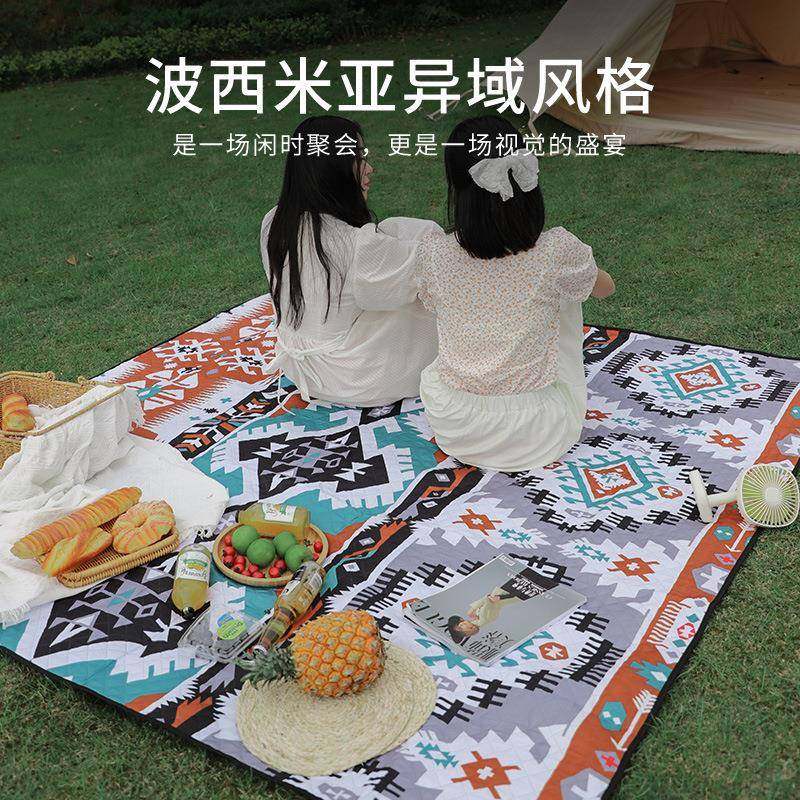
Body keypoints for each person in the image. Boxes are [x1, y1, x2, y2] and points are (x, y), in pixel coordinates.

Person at [416, 116, 615, 472]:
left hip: (456, 423)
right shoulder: (556, 251)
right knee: (567, 293)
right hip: (537, 432)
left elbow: (430, 303)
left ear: (457, 187)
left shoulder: (434, 252)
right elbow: (605, 288)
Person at [261, 115, 438, 407]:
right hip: (357, 379)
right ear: (333, 169)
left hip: (301, 368)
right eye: (358, 159)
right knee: (427, 277)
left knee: (401, 235)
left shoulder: (274, 221)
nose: (369, 168)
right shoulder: (356, 245)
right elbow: (432, 265)